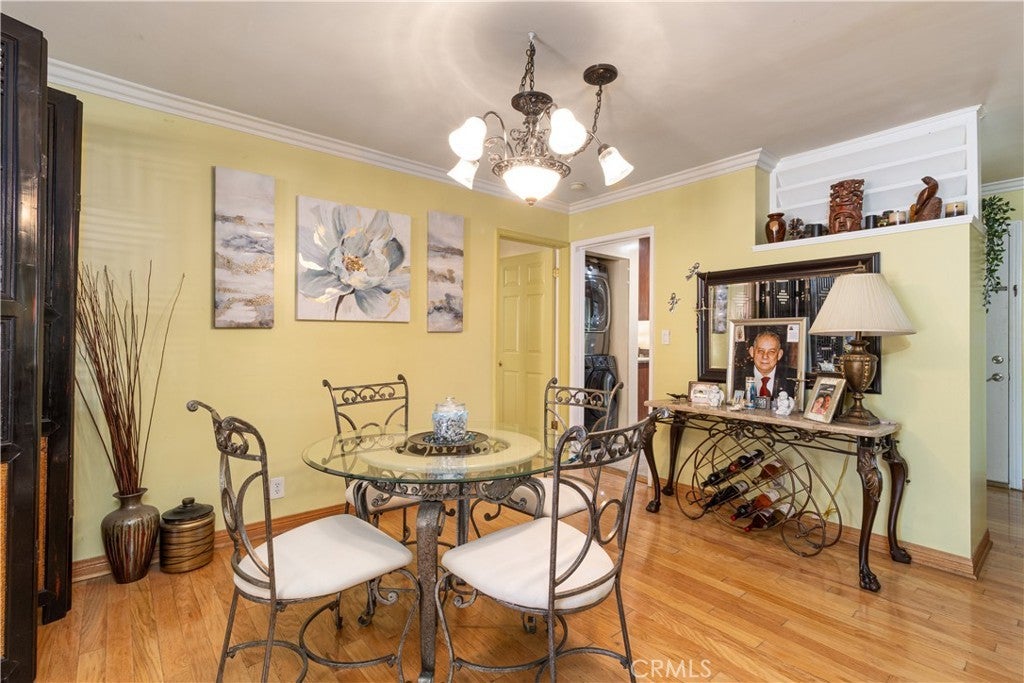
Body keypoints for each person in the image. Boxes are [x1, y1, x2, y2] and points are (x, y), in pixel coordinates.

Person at [739, 329, 797, 400]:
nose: (765, 356)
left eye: (771, 352)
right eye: (760, 351)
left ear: (779, 355)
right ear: (752, 352)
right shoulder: (736, 378)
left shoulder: (793, 379)